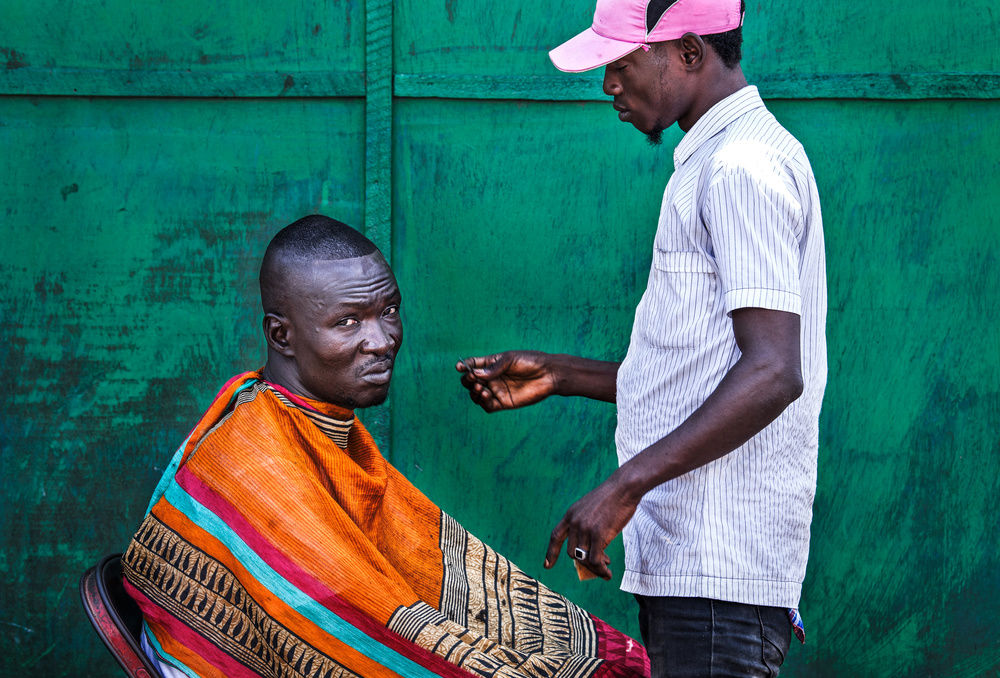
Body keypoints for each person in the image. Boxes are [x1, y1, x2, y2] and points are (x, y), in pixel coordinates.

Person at [457, 0, 827, 676]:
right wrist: (563, 375)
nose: (608, 86)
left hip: (720, 579)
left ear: (688, 52)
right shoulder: (717, 160)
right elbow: (708, 366)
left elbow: (774, 370)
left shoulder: (741, 167)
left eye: (621, 65)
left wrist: (623, 486)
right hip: (697, 573)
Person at [122, 215, 650, 678]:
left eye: (389, 311)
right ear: (281, 336)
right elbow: (341, 617)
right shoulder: (253, 459)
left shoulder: (317, 425)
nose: (383, 340)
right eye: (348, 322)